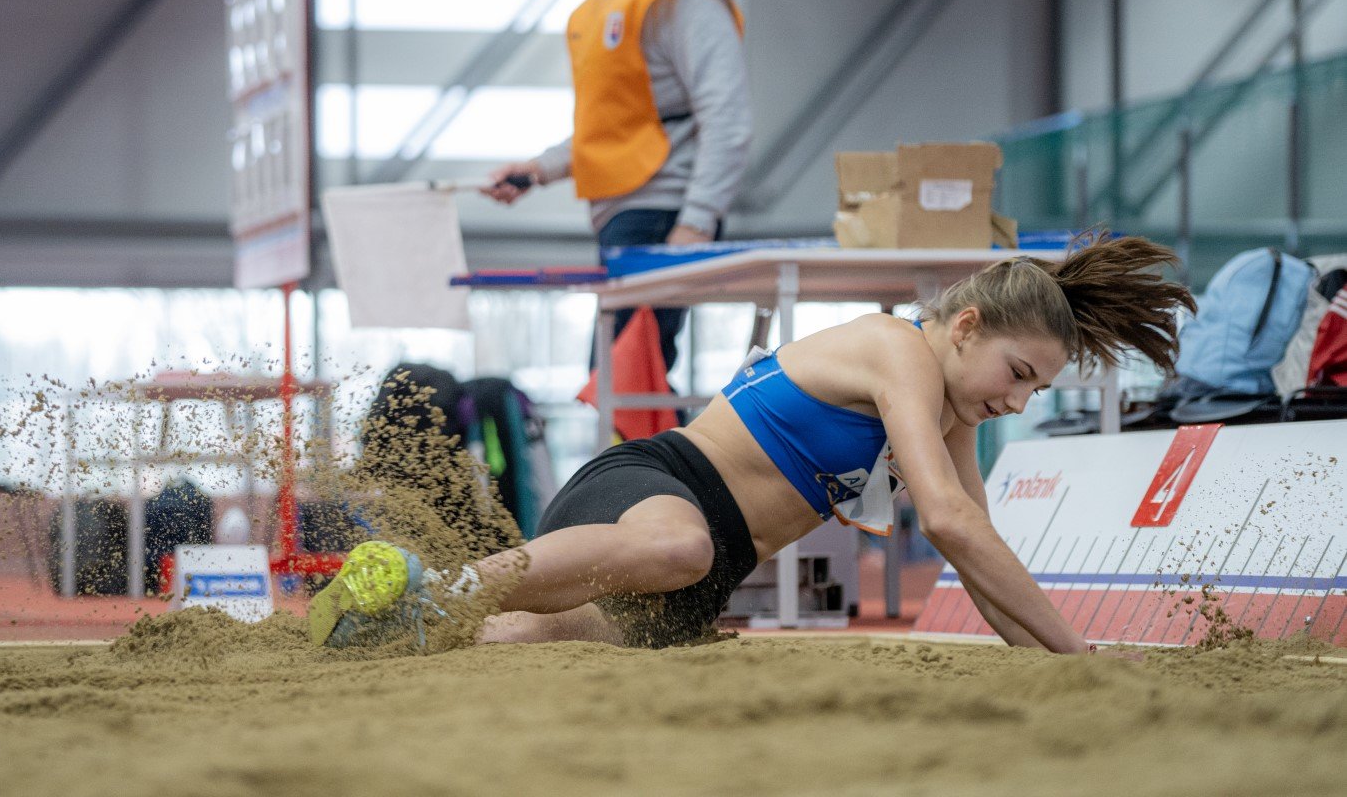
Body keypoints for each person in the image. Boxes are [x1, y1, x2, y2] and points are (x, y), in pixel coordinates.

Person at [308, 235, 1195, 653]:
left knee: (513, 641)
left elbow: (978, 552)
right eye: (1019, 372)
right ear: (964, 327)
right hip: (656, 491)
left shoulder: (952, 415)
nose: (1020, 398)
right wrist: (1082, 656)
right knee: (676, 542)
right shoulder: (897, 349)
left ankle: (390, 631)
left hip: (703, 582)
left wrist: (1043, 659)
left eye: (1038, 388)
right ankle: (432, 582)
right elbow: (956, 525)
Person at [481, 0, 752, 370]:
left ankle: (677, 455)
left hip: (663, 214)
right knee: (626, 378)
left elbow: (728, 116)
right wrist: (538, 170)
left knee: (622, 377)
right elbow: (612, 127)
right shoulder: (608, 2)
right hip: (624, 215)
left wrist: (695, 222)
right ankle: (669, 454)